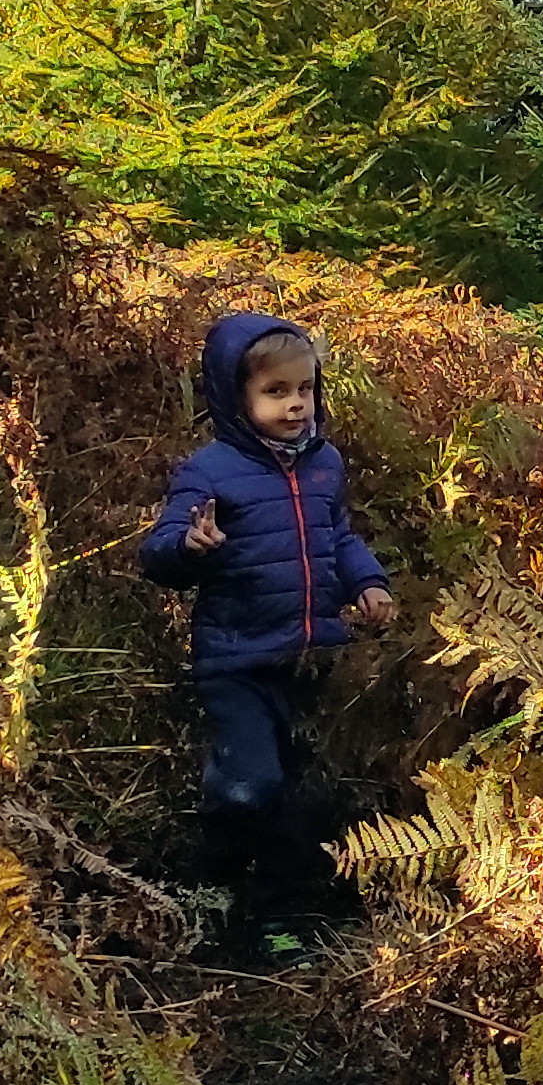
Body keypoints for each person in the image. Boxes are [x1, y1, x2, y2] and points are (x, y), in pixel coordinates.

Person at [134, 311, 402, 929]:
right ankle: (212, 881)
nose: (295, 406)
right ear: (236, 397)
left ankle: (276, 918)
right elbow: (160, 552)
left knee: (304, 798)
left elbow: (337, 534)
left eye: (304, 389)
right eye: (275, 392)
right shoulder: (212, 472)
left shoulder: (323, 462)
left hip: (311, 658)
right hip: (237, 661)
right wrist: (190, 546)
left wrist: (368, 582)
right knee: (249, 787)